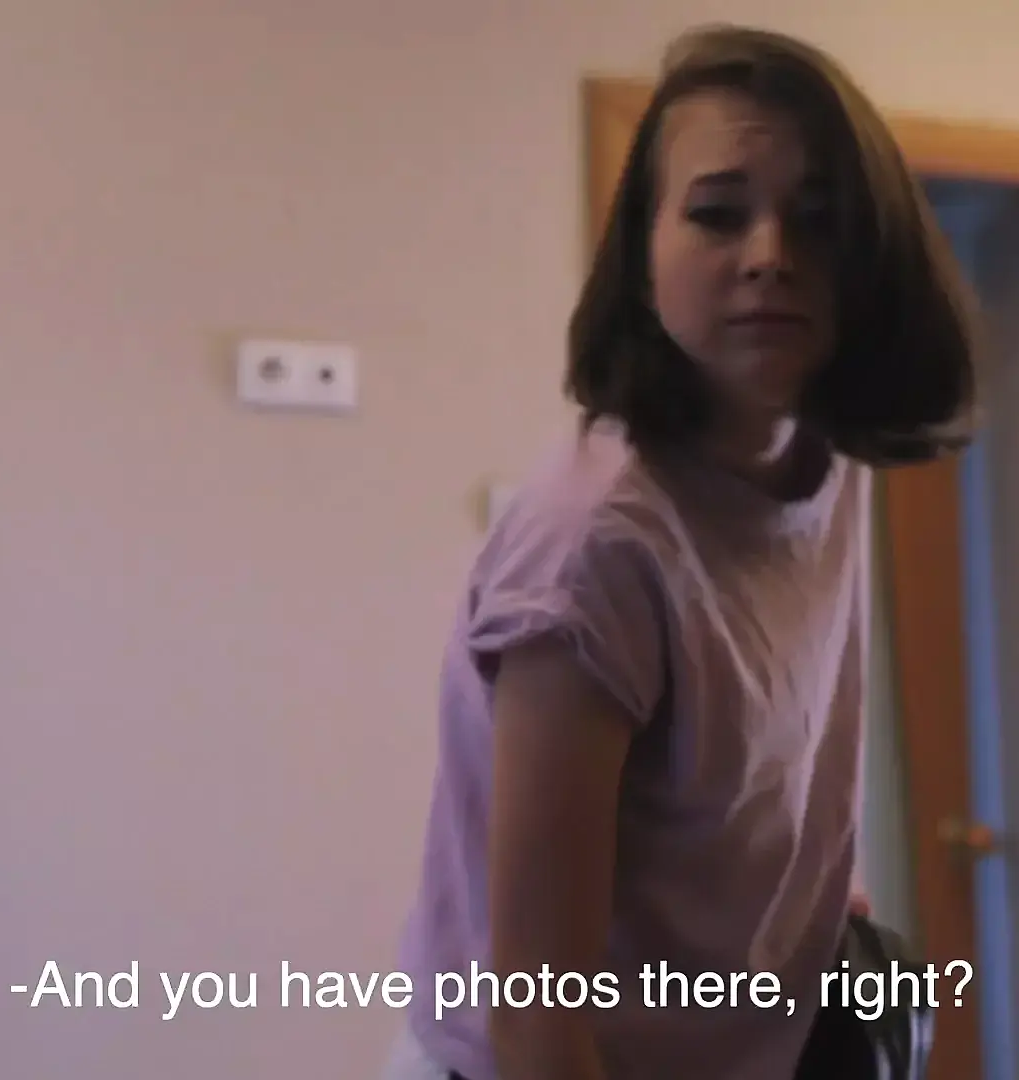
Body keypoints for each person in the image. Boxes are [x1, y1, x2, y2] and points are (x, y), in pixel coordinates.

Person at [384, 22, 980, 1080]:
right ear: (642, 255)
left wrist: (789, 896)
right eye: (717, 213)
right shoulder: (594, 551)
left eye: (818, 220)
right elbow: (536, 1016)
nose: (770, 255)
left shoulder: (827, 456)